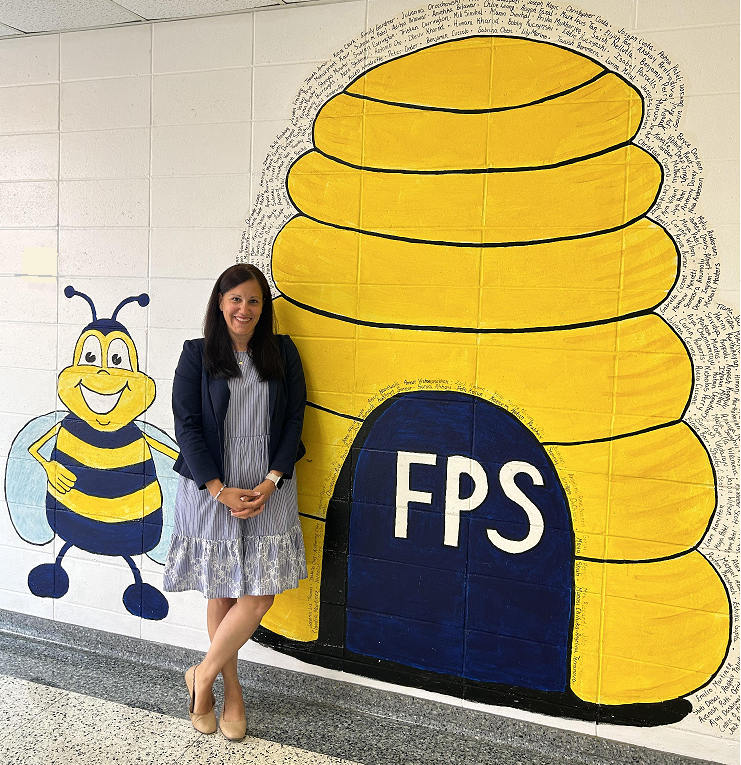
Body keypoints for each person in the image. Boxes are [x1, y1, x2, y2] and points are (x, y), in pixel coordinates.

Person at [163, 263, 307, 740]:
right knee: (222, 589)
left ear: (263, 309)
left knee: (260, 593)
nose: (244, 309)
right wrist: (219, 490)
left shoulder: (282, 353)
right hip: (212, 488)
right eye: (236, 299)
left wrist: (270, 482)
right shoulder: (197, 355)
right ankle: (232, 690)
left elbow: (293, 423)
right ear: (220, 303)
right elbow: (187, 426)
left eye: (254, 301)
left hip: (270, 485)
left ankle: (201, 676)